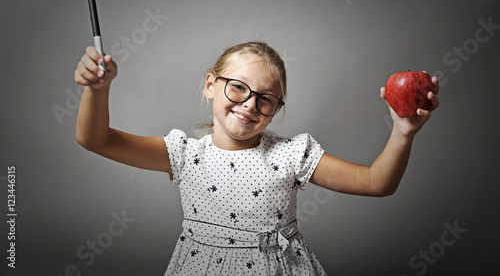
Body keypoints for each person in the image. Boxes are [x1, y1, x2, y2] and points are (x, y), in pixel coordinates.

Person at [74, 41, 439, 275]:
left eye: (266, 98)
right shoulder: (184, 154)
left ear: (275, 108)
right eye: (238, 87)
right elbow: (96, 139)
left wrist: (403, 132)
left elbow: (377, 183)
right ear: (210, 85)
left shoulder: (292, 154)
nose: (250, 103)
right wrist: (96, 89)